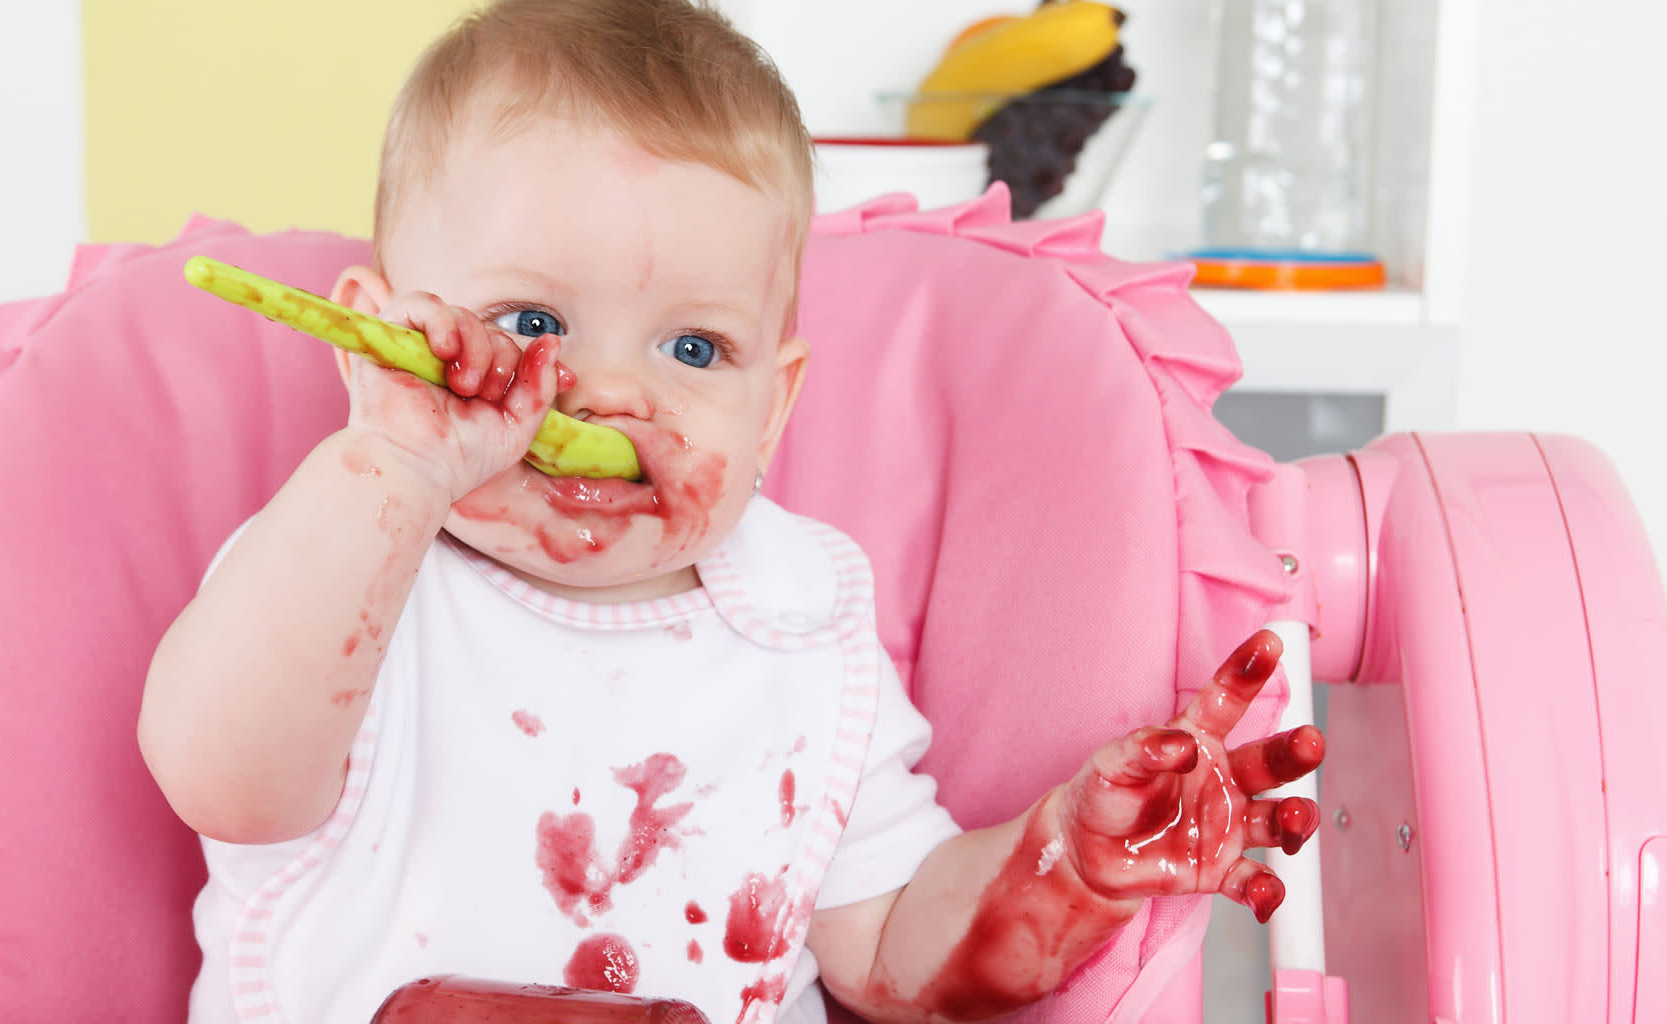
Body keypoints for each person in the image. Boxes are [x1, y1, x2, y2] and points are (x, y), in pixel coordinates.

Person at [136, 1, 1326, 1021]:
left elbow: (893, 954)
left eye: (694, 346)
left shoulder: (799, 624)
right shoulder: (346, 572)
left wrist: (1070, 863)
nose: (608, 390)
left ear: (770, 410)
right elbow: (221, 777)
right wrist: (391, 467)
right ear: (382, 348)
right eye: (534, 324)